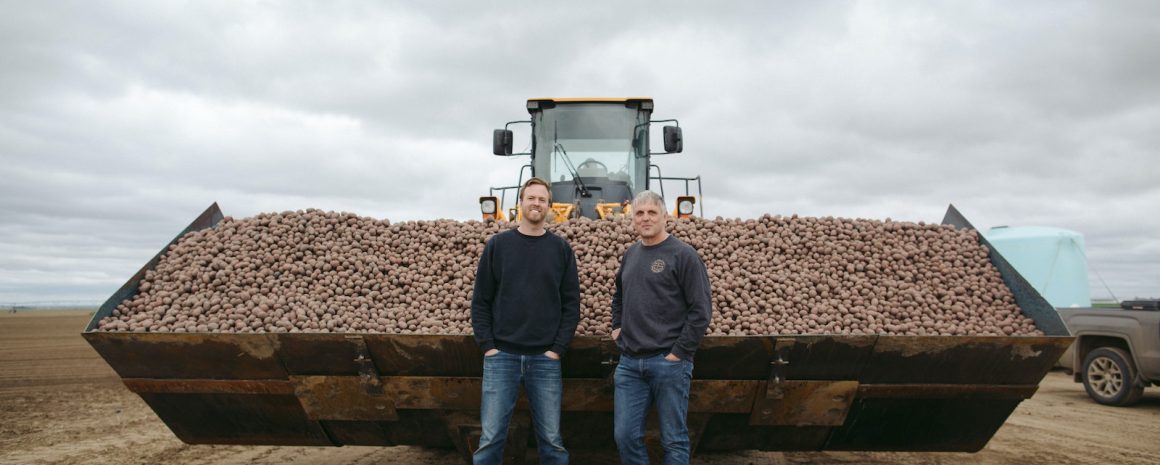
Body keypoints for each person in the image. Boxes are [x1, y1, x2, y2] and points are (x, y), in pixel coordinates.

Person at [470, 177, 581, 465]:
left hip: (545, 359)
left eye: (542, 199)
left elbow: (571, 305)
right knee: (490, 440)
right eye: (531, 198)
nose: (536, 203)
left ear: (549, 206)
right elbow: (481, 300)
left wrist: (557, 349)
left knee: (552, 442)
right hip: (501, 357)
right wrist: (488, 346)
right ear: (521, 203)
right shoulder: (498, 245)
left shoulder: (561, 249)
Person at [611, 190, 712, 465]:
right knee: (625, 436)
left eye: (652, 212)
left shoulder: (683, 255)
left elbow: (701, 310)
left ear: (665, 216)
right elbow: (619, 294)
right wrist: (616, 326)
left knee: (673, 439)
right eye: (640, 213)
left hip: (668, 363)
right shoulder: (631, 254)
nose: (645, 218)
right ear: (632, 218)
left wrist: (678, 353)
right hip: (630, 364)